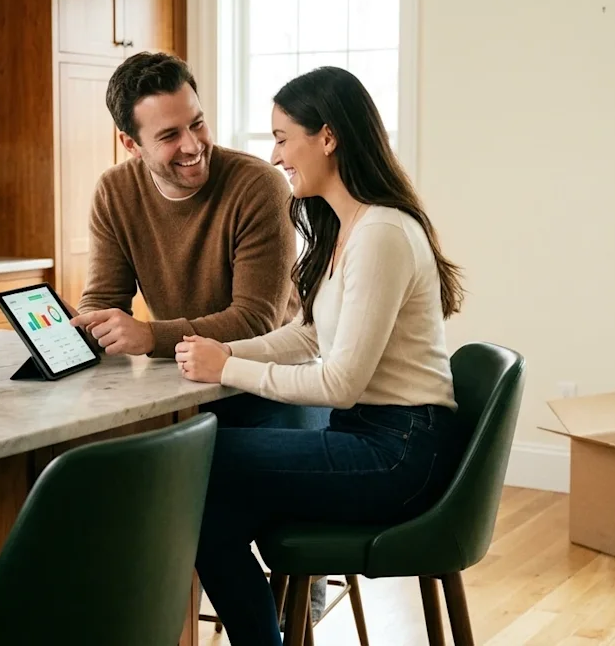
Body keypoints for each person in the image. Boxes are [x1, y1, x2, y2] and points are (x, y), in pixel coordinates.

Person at [175, 66, 471, 646]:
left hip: (399, 451)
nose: (276, 154)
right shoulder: (348, 227)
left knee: (196, 456)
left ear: (328, 137)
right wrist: (224, 350)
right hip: (377, 437)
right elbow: (310, 336)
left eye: (284, 137)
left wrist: (228, 369)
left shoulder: (382, 232)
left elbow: (338, 383)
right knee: (210, 515)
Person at [67, 52, 331, 615]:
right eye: (168, 135)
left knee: (192, 505)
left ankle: (287, 592)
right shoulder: (115, 193)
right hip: (190, 391)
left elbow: (256, 319)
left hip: (274, 389)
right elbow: (102, 297)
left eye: (197, 122)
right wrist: (90, 326)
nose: (192, 145)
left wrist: (149, 336)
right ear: (129, 144)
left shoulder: (258, 185)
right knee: (131, 487)